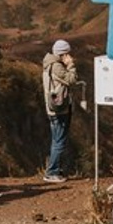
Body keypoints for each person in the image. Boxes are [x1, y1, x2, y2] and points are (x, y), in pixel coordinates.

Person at [42, 39, 78, 182]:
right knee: (59, 141)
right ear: (62, 54)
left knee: (57, 139)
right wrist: (71, 65)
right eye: (67, 53)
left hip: (53, 109)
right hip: (59, 110)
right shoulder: (57, 67)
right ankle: (52, 172)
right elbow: (72, 79)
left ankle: (55, 168)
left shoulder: (48, 64)